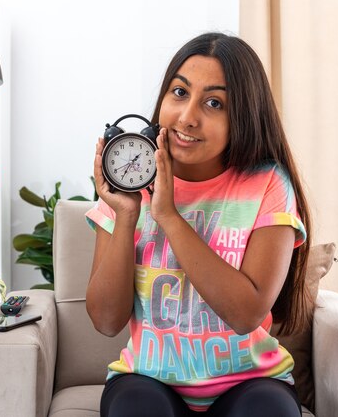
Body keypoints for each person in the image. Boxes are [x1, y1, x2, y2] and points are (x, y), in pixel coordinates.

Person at [85, 32, 313, 417]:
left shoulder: (267, 184)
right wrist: (126, 216)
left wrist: (169, 216)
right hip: (147, 380)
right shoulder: (130, 177)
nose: (187, 116)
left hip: (251, 382)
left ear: (243, 115)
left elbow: (245, 315)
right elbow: (106, 322)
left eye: (213, 102)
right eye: (179, 92)